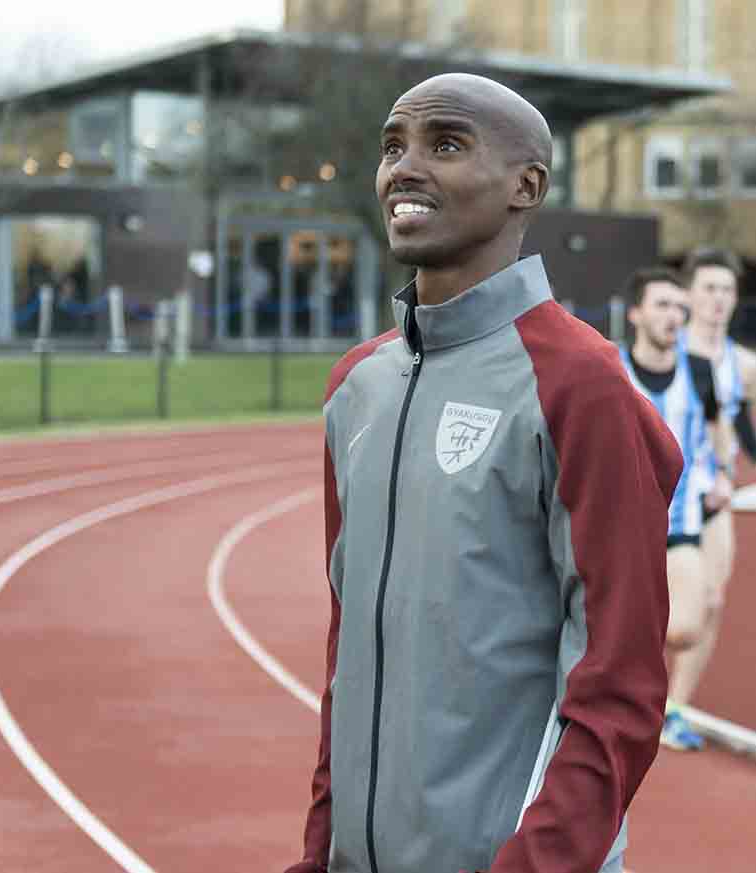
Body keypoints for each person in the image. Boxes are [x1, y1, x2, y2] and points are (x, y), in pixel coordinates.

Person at [284, 73, 682, 873]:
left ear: (523, 185)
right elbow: (348, 657)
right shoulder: (356, 388)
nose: (405, 166)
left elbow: (620, 681)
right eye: (394, 145)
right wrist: (319, 849)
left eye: (447, 144)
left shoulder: (580, 383)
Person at [619, 267, 733, 751]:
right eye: (662, 305)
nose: (673, 316)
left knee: (685, 625)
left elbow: (714, 427)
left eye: (677, 308)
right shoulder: (610, 369)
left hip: (680, 518)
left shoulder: (700, 371)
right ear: (636, 314)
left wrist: (722, 471)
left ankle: (664, 704)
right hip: (621, 526)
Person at [668, 248, 756, 747]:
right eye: (709, 289)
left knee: (712, 601)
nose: (718, 300)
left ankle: (673, 707)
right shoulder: (664, 344)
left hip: (710, 496)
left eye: (727, 290)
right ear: (688, 295)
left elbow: (742, 429)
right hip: (658, 492)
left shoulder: (743, 365)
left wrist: (725, 471)